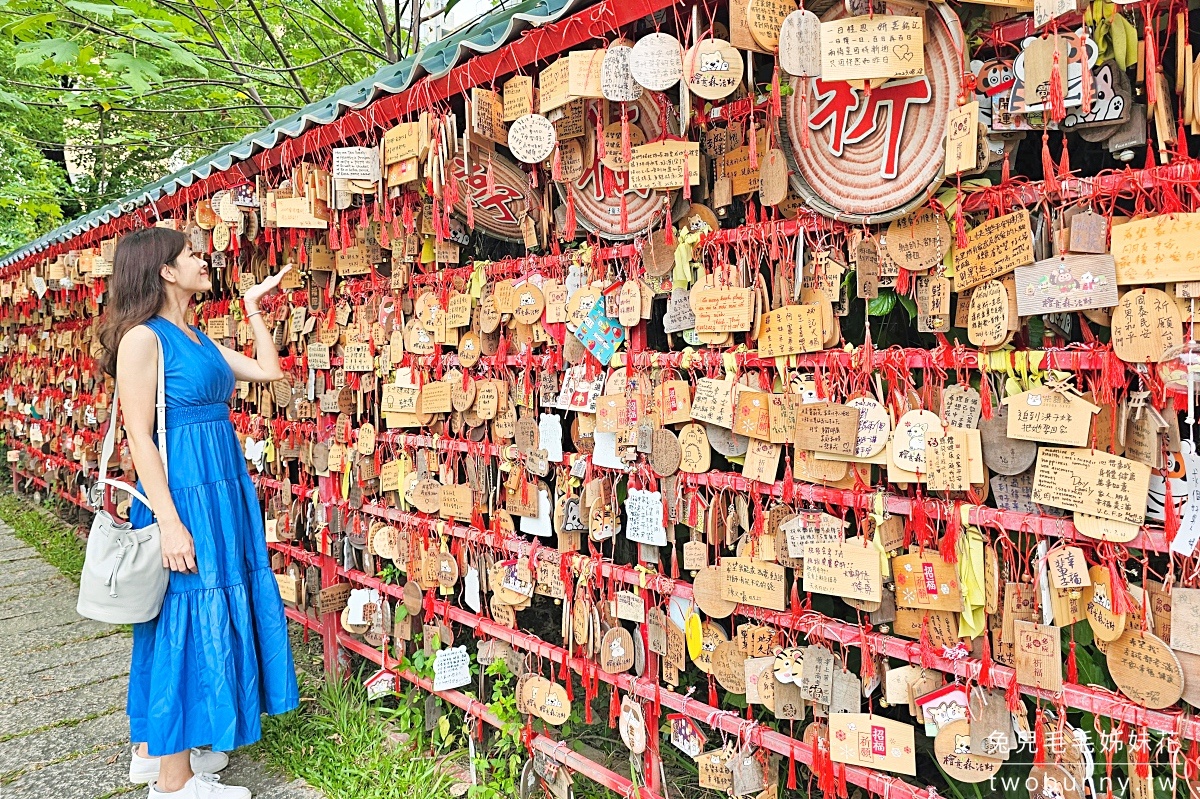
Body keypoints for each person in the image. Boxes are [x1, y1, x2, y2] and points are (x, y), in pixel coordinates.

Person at [96, 228, 299, 798]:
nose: (202, 259)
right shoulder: (143, 340)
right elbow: (140, 436)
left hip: (219, 487)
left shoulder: (197, 338)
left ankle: (154, 750)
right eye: (190, 254)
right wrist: (168, 521)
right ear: (163, 270)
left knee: (188, 613)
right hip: (183, 493)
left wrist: (254, 307)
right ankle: (174, 782)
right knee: (184, 617)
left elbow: (268, 371)